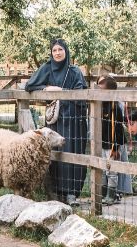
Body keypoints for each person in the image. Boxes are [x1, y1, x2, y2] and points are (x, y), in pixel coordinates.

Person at [25, 38, 88, 205]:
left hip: (73, 120)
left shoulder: (74, 71)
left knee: (72, 150)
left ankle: (72, 193)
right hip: (55, 120)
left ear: (66, 51)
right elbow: (30, 85)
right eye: (54, 50)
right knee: (54, 153)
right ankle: (56, 191)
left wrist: (63, 91)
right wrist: (47, 89)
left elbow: (82, 93)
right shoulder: (47, 68)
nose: (57, 53)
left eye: (60, 50)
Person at [97, 76, 131, 205]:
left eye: (101, 90)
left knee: (112, 170)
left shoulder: (115, 108)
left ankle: (111, 195)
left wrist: (116, 147)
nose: (99, 92)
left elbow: (118, 129)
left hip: (112, 145)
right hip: (102, 144)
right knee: (103, 170)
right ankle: (103, 194)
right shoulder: (99, 106)